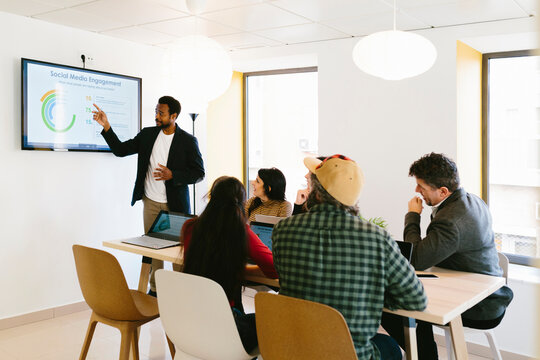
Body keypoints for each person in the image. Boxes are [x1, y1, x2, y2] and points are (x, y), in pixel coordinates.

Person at [272, 155, 427, 360]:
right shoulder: (376, 238)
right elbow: (416, 300)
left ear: (316, 193)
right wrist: (376, 289)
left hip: (294, 349)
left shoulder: (283, 230)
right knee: (389, 346)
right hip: (349, 355)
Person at [381, 152, 514, 359]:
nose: (417, 191)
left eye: (422, 187)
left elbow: (416, 260)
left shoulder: (452, 220)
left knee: (392, 305)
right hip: (481, 288)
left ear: (443, 191)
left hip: (480, 305)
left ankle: (426, 356)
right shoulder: (471, 200)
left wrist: (413, 215)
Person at [92, 96, 204, 297]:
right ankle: (156, 289)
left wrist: (174, 175)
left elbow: (199, 173)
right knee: (153, 249)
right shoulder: (147, 135)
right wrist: (106, 126)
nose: (157, 116)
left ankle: (180, 292)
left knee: (178, 251)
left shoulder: (188, 141)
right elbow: (121, 150)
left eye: (161, 113)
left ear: (174, 116)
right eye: (156, 112)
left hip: (176, 205)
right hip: (151, 201)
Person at [181, 176, 278, 353]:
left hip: (189, 322)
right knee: (274, 321)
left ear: (211, 198)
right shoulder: (240, 231)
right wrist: (248, 269)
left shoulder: (189, 226)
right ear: (240, 203)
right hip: (225, 327)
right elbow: (273, 269)